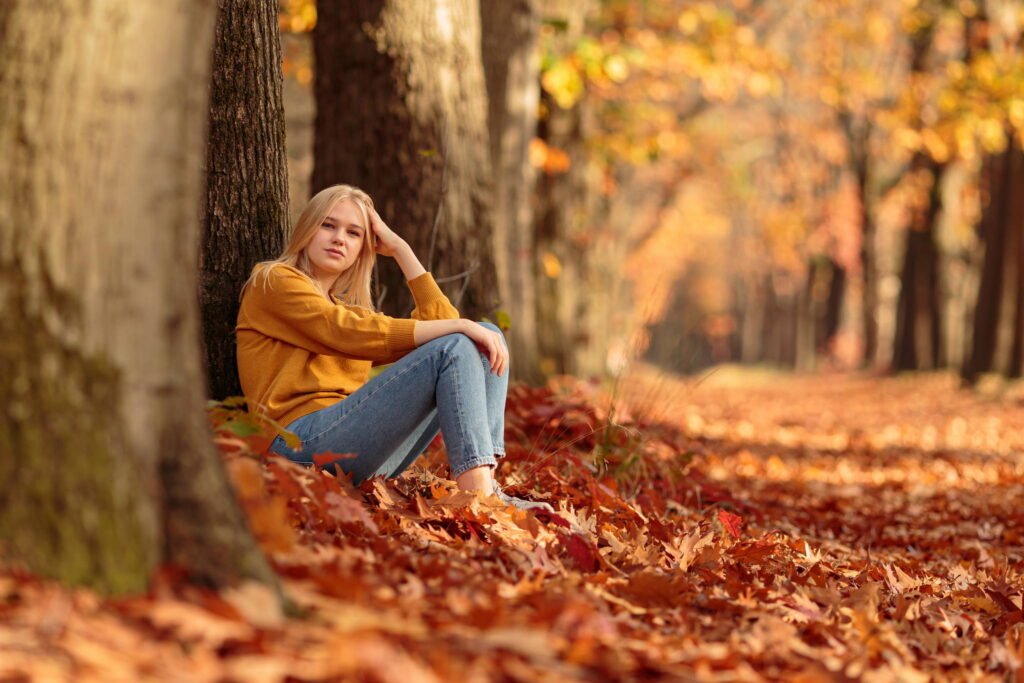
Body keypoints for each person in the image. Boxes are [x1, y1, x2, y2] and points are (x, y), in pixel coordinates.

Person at [236, 184, 551, 511]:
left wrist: (401, 248)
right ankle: (481, 500)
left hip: (355, 452)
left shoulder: (349, 310)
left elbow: (449, 329)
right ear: (306, 229)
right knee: (459, 340)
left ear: (364, 248)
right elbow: (342, 331)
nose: (339, 238)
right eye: (328, 225)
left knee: (482, 335)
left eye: (354, 233)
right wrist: (459, 327)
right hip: (294, 446)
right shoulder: (273, 281)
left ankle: (484, 484)